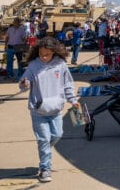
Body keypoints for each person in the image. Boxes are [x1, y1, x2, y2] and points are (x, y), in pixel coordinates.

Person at [18, 36, 80, 183]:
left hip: (56, 110)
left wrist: (73, 100)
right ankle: (45, 169)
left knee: (57, 135)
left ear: (54, 52)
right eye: (41, 54)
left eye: (47, 54)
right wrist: (24, 84)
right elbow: (22, 84)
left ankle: (44, 149)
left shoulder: (61, 64)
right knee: (44, 139)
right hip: (38, 111)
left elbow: (68, 84)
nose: (43, 57)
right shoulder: (33, 65)